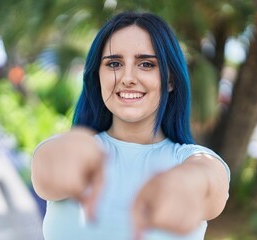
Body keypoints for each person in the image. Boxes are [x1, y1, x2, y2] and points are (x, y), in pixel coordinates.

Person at [31, 11, 230, 240]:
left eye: (146, 64)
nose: (127, 77)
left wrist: (184, 183)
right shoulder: (66, 150)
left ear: (170, 80)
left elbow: (207, 182)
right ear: (98, 77)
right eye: (114, 63)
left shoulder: (195, 160)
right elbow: (47, 173)